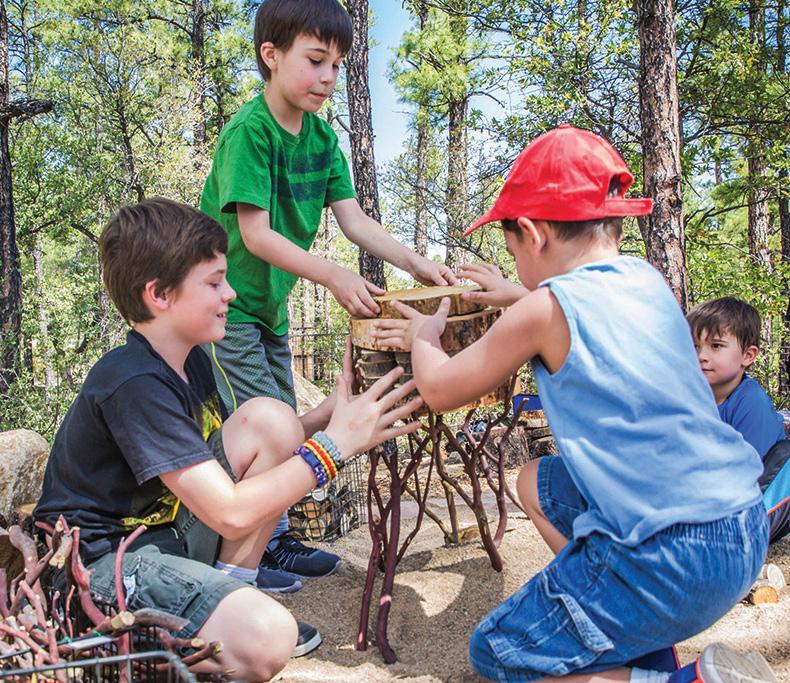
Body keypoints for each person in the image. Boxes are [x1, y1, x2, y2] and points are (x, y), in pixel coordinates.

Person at [372, 125, 779, 683]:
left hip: (674, 557)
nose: (516, 266)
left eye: (512, 251)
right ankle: (626, 630)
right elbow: (588, 317)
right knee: (538, 482)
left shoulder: (543, 309)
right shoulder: (645, 279)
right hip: (741, 525)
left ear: (532, 233)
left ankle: (684, 680)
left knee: (498, 651)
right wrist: (518, 297)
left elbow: (441, 389)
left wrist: (424, 334)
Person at [33, 199, 422, 681]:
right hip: (103, 564)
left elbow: (241, 461)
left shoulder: (191, 359)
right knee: (267, 639)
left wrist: (330, 416)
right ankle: (203, 622)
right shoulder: (133, 382)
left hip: (167, 535)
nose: (230, 294)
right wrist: (336, 447)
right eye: (215, 282)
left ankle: (232, 588)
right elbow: (230, 512)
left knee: (273, 420)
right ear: (160, 294)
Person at [199, 0, 455, 591]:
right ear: (271, 55)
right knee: (266, 423)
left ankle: (274, 539)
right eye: (315, 61)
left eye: (337, 65)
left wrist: (418, 263)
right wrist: (334, 276)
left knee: (287, 421)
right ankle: (245, 555)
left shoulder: (321, 138)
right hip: (225, 309)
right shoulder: (249, 132)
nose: (328, 77)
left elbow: (354, 221)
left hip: (270, 310)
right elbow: (256, 235)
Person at [687, 297, 789, 543]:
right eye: (694, 346)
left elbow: (747, 474)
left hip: (756, 493)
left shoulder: (750, 400)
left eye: (716, 346)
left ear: (748, 355)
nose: (701, 356)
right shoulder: (688, 398)